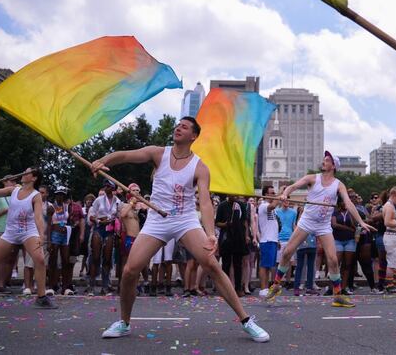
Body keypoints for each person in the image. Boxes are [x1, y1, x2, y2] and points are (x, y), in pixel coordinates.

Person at [91, 116, 269, 342]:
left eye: (184, 127)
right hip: (157, 220)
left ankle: (247, 321)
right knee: (129, 270)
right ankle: (124, 322)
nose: (178, 128)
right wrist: (103, 160)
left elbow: (204, 202)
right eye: (178, 125)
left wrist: (211, 233)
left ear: (193, 136)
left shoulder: (200, 167)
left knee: (211, 264)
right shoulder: (159, 153)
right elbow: (127, 155)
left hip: (185, 220)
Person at [267, 151, 375, 308]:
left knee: (332, 260)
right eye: (324, 159)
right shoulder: (313, 178)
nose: (324, 162)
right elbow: (293, 186)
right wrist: (285, 194)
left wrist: (360, 222)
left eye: (327, 160)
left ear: (333, 166)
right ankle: (276, 285)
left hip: (323, 225)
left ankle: (337, 295)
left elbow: (349, 203)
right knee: (287, 252)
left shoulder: (339, 184)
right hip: (307, 221)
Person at [0, 168, 57, 309]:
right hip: (10, 232)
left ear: (34, 178)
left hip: (28, 232)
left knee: (40, 260)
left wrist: (42, 234)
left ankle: (41, 297)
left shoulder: (36, 195)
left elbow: (38, 217)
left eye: (27, 172)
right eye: (23, 171)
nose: (23, 173)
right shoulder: (13, 190)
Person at [86, 179, 120, 295]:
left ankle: (105, 286)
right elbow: (91, 215)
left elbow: (120, 215)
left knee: (107, 258)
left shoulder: (117, 201)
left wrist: (113, 220)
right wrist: (99, 221)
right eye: (105, 186)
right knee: (95, 257)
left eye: (109, 186)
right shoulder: (98, 200)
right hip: (99, 228)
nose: (106, 188)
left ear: (113, 189)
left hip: (110, 230)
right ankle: (91, 285)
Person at [255, 189, 279, 297]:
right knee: (264, 266)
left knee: (269, 266)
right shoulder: (263, 205)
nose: (274, 195)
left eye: (274, 193)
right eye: (272, 193)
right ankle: (263, 289)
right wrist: (281, 195)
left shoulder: (272, 209)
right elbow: (272, 206)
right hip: (267, 240)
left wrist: (277, 239)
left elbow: (273, 225)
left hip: (272, 239)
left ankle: (266, 287)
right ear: (265, 195)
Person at [382, 187, 396, 293]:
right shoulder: (389, 206)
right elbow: (386, 222)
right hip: (391, 236)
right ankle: (389, 284)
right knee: (392, 262)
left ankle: (392, 282)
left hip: (394, 236)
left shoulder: (390, 206)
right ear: (394, 195)